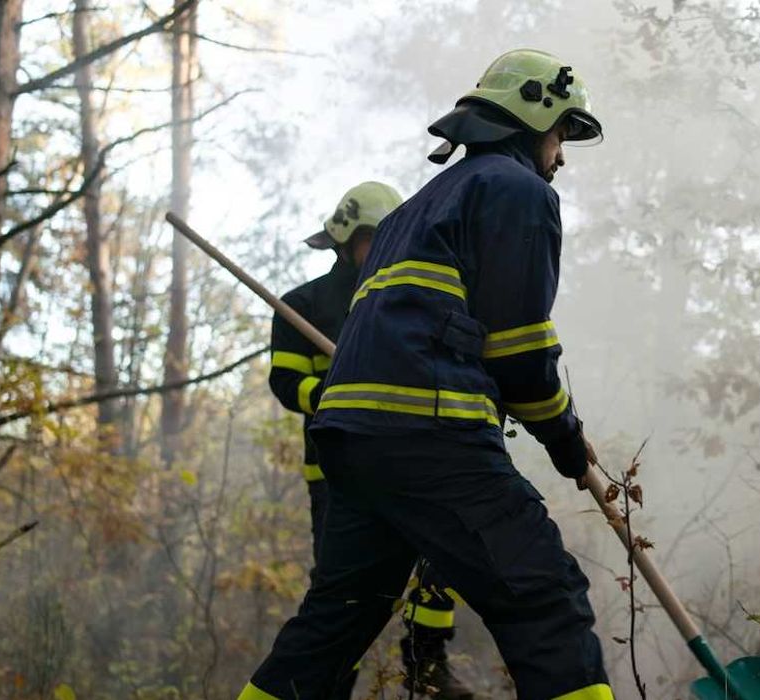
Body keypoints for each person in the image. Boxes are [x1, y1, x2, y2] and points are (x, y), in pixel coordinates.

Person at [305, 48, 612, 700]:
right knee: (545, 598)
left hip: (352, 443)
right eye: (561, 135)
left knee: (330, 629)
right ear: (533, 120)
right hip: (429, 433)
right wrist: (564, 438)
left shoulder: (413, 209)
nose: (561, 156)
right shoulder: (515, 191)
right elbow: (520, 350)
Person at [238, 182, 473, 700]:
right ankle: (327, 686)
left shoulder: (410, 300)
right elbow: (285, 382)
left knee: (442, 559)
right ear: (344, 240)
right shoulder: (303, 305)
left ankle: (427, 659)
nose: (383, 247)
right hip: (337, 472)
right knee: (341, 597)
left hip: (411, 462)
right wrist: (331, 390)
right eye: (373, 237)